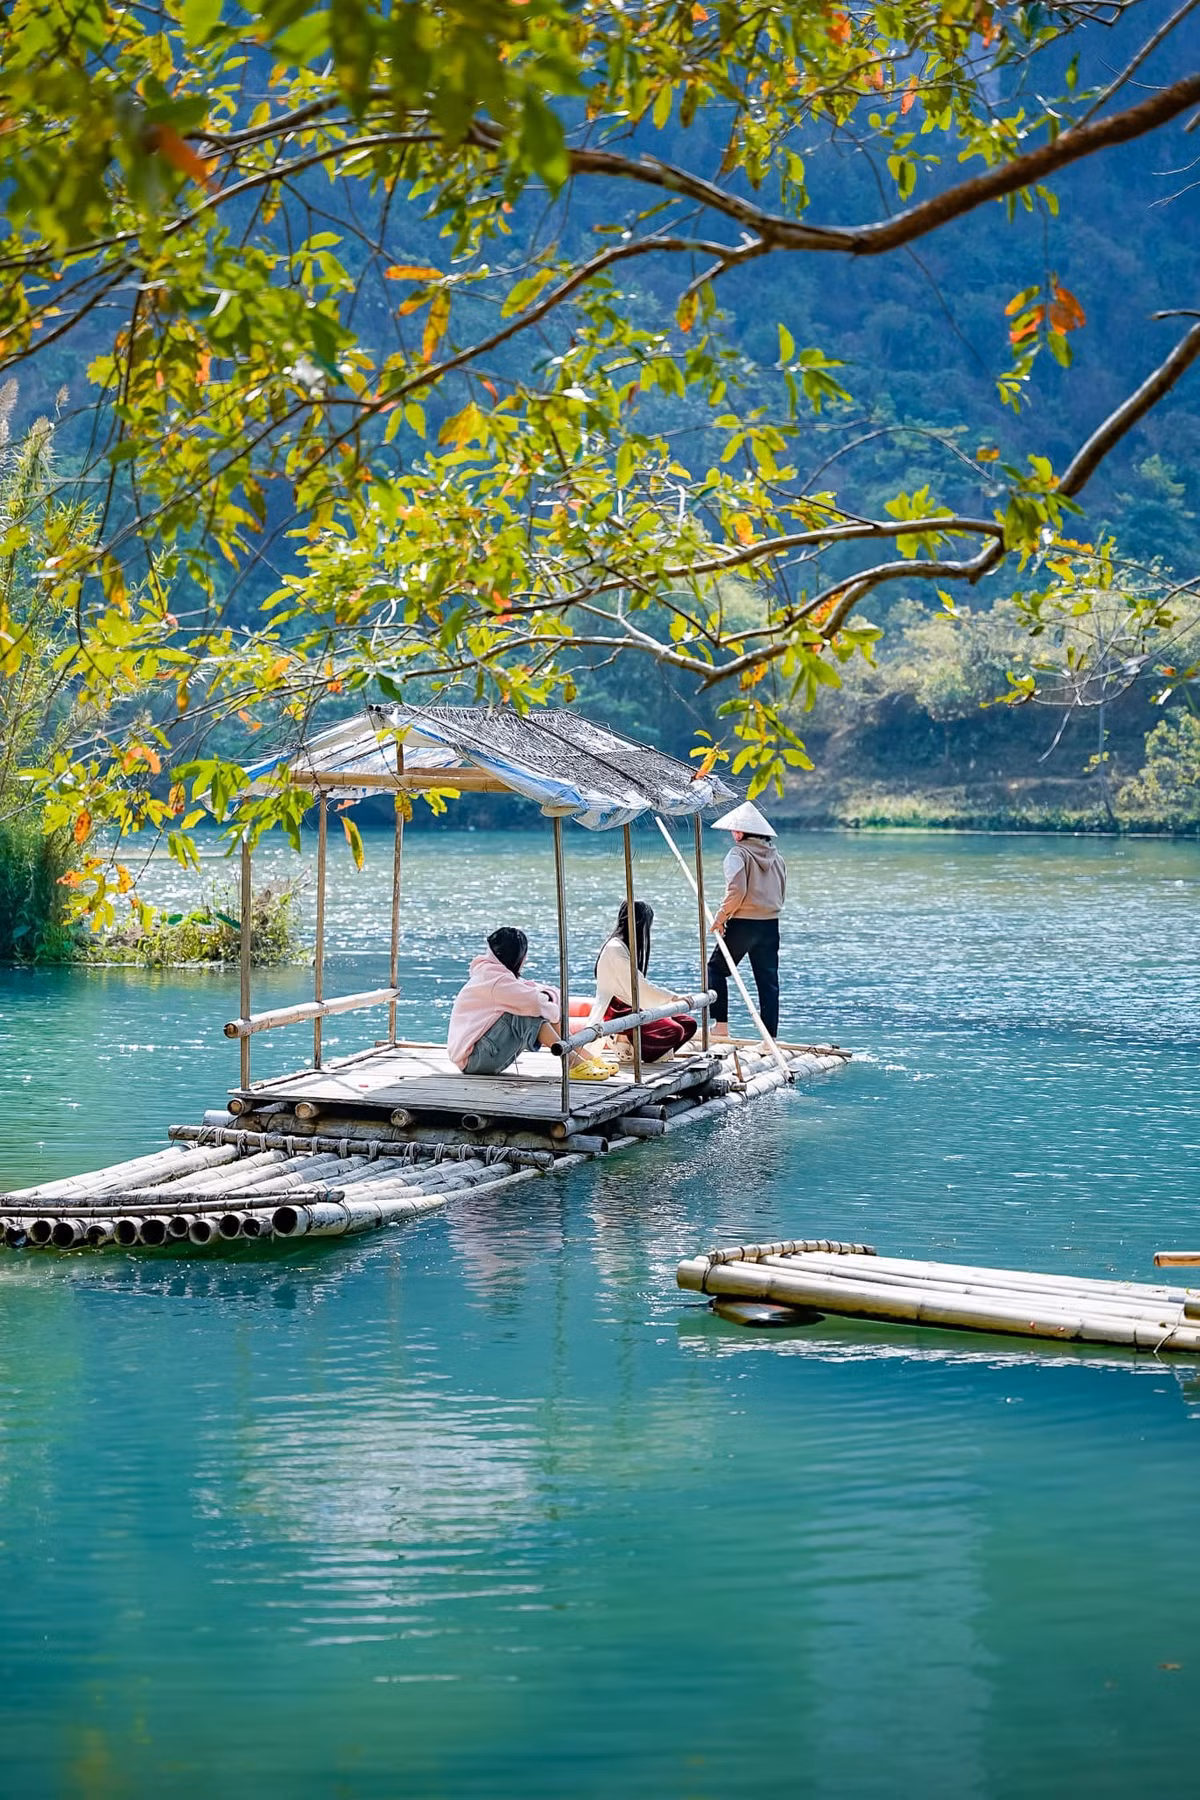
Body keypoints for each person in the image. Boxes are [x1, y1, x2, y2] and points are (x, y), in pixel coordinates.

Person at [448, 927, 612, 1078]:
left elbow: (536, 991)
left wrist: (547, 1000)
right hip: (475, 1060)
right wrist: (548, 1004)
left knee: (533, 1008)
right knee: (528, 1015)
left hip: (480, 1054)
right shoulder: (496, 981)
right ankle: (573, 1063)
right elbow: (535, 1002)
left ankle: (581, 1057)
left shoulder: (493, 974)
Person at [707, 802, 786, 1039]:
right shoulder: (777, 857)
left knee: (715, 969)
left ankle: (720, 1027)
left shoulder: (737, 854)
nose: (732, 834)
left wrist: (721, 917)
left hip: (743, 923)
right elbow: (781, 891)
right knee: (768, 982)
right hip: (771, 924)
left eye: (734, 830)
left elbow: (737, 890)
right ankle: (769, 1037)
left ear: (740, 833)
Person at [590, 900, 698, 1063]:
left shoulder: (622, 947)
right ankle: (623, 1041)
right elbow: (638, 985)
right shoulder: (615, 948)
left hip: (629, 1004)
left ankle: (646, 1050)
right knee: (673, 1030)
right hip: (618, 1009)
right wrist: (672, 997)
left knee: (688, 1024)